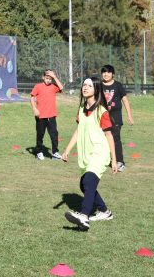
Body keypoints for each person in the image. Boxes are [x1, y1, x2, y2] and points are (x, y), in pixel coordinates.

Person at [62, 77, 118, 231]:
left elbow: (109, 136)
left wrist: (114, 159)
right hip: (86, 154)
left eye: (89, 86)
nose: (85, 88)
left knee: (88, 182)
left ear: (96, 90)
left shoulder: (102, 111)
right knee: (84, 184)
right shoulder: (81, 108)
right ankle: (104, 212)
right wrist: (67, 150)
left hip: (100, 152)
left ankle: (84, 216)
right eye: (84, 85)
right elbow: (79, 130)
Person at [100, 65, 134, 172]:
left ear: (113, 74)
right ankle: (103, 160)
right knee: (101, 140)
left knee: (116, 140)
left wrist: (129, 116)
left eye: (108, 72)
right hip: (102, 117)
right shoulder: (99, 86)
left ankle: (120, 162)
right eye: (104, 72)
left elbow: (125, 100)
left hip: (115, 118)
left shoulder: (118, 86)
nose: (106, 74)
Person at [30, 69, 64, 160]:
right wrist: (34, 109)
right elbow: (32, 98)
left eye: (50, 79)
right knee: (40, 135)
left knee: (54, 135)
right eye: (47, 78)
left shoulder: (53, 86)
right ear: (43, 77)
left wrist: (55, 77)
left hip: (51, 116)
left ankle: (55, 152)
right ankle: (39, 152)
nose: (48, 80)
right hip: (40, 116)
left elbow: (61, 88)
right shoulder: (38, 86)